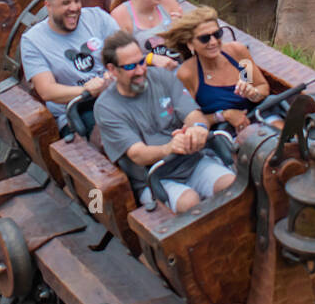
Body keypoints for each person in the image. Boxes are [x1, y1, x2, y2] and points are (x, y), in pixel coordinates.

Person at [94, 30, 235, 214]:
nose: (140, 71)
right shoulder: (106, 107)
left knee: (231, 185)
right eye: (130, 67)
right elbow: (137, 154)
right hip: (154, 178)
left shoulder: (161, 77)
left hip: (192, 162)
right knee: (190, 203)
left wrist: (198, 129)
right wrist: (170, 148)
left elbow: (192, 113)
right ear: (112, 70)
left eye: (142, 62)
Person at [19, 0, 176, 133]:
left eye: (77, 1)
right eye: (66, 3)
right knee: (119, 128)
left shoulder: (96, 17)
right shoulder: (32, 41)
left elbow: (126, 50)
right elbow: (47, 91)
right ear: (49, 6)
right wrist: (86, 90)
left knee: (166, 101)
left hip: (119, 88)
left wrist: (146, 60)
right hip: (80, 107)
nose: (74, 8)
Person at [164, 6, 269, 132]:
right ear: (191, 44)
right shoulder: (187, 74)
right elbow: (189, 120)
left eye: (217, 34)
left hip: (259, 116)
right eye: (204, 38)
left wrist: (253, 94)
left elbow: (262, 86)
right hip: (226, 134)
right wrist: (224, 115)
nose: (213, 42)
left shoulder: (237, 52)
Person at [111, 0, 183, 58]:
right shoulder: (121, 15)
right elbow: (121, 58)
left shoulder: (167, 2)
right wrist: (150, 59)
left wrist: (183, 29)